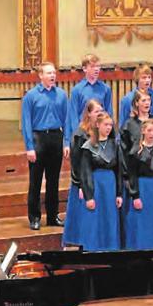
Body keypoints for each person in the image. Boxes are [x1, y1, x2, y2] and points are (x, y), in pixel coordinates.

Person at [22, 62, 69, 231]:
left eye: (54, 73)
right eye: (49, 73)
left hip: (56, 137)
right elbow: (26, 123)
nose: (52, 76)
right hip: (38, 138)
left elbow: (67, 120)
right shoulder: (31, 96)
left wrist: (66, 142)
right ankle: (34, 217)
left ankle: (52, 216)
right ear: (40, 75)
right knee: (35, 182)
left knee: (53, 180)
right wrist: (29, 147)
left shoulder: (62, 95)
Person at [124, 118, 153, 250]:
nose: (152, 133)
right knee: (141, 221)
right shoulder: (135, 153)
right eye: (149, 130)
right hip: (142, 189)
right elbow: (132, 175)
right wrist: (135, 196)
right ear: (143, 131)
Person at [78, 113, 124, 251]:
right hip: (96, 185)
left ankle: (111, 248)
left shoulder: (115, 145)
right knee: (95, 219)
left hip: (110, 185)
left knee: (110, 218)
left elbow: (119, 171)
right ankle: (93, 248)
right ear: (97, 125)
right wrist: (89, 196)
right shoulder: (88, 146)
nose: (109, 128)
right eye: (106, 124)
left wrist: (119, 194)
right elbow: (85, 173)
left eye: (110, 125)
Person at [63, 100, 102, 247]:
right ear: (89, 114)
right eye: (97, 111)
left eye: (101, 110)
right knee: (81, 216)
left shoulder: (100, 131)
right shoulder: (79, 134)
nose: (100, 113)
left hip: (94, 179)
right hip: (81, 183)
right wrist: (80, 185)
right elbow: (76, 162)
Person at [66, 54, 114, 149]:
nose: (96, 69)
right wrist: (77, 135)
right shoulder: (77, 90)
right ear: (84, 69)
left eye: (98, 66)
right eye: (92, 66)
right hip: (84, 132)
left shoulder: (105, 88)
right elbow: (73, 115)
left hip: (100, 132)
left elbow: (109, 112)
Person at [120, 90, 153, 154]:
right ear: (136, 103)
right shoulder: (127, 126)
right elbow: (124, 151)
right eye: (144, 100)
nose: (147, 103)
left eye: (149, 100)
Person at [119, 64, 153, 129]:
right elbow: (123, 124)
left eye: (149, 77)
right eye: (144, 77)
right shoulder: (127, 99)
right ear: (137, 79)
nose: (147, 80)